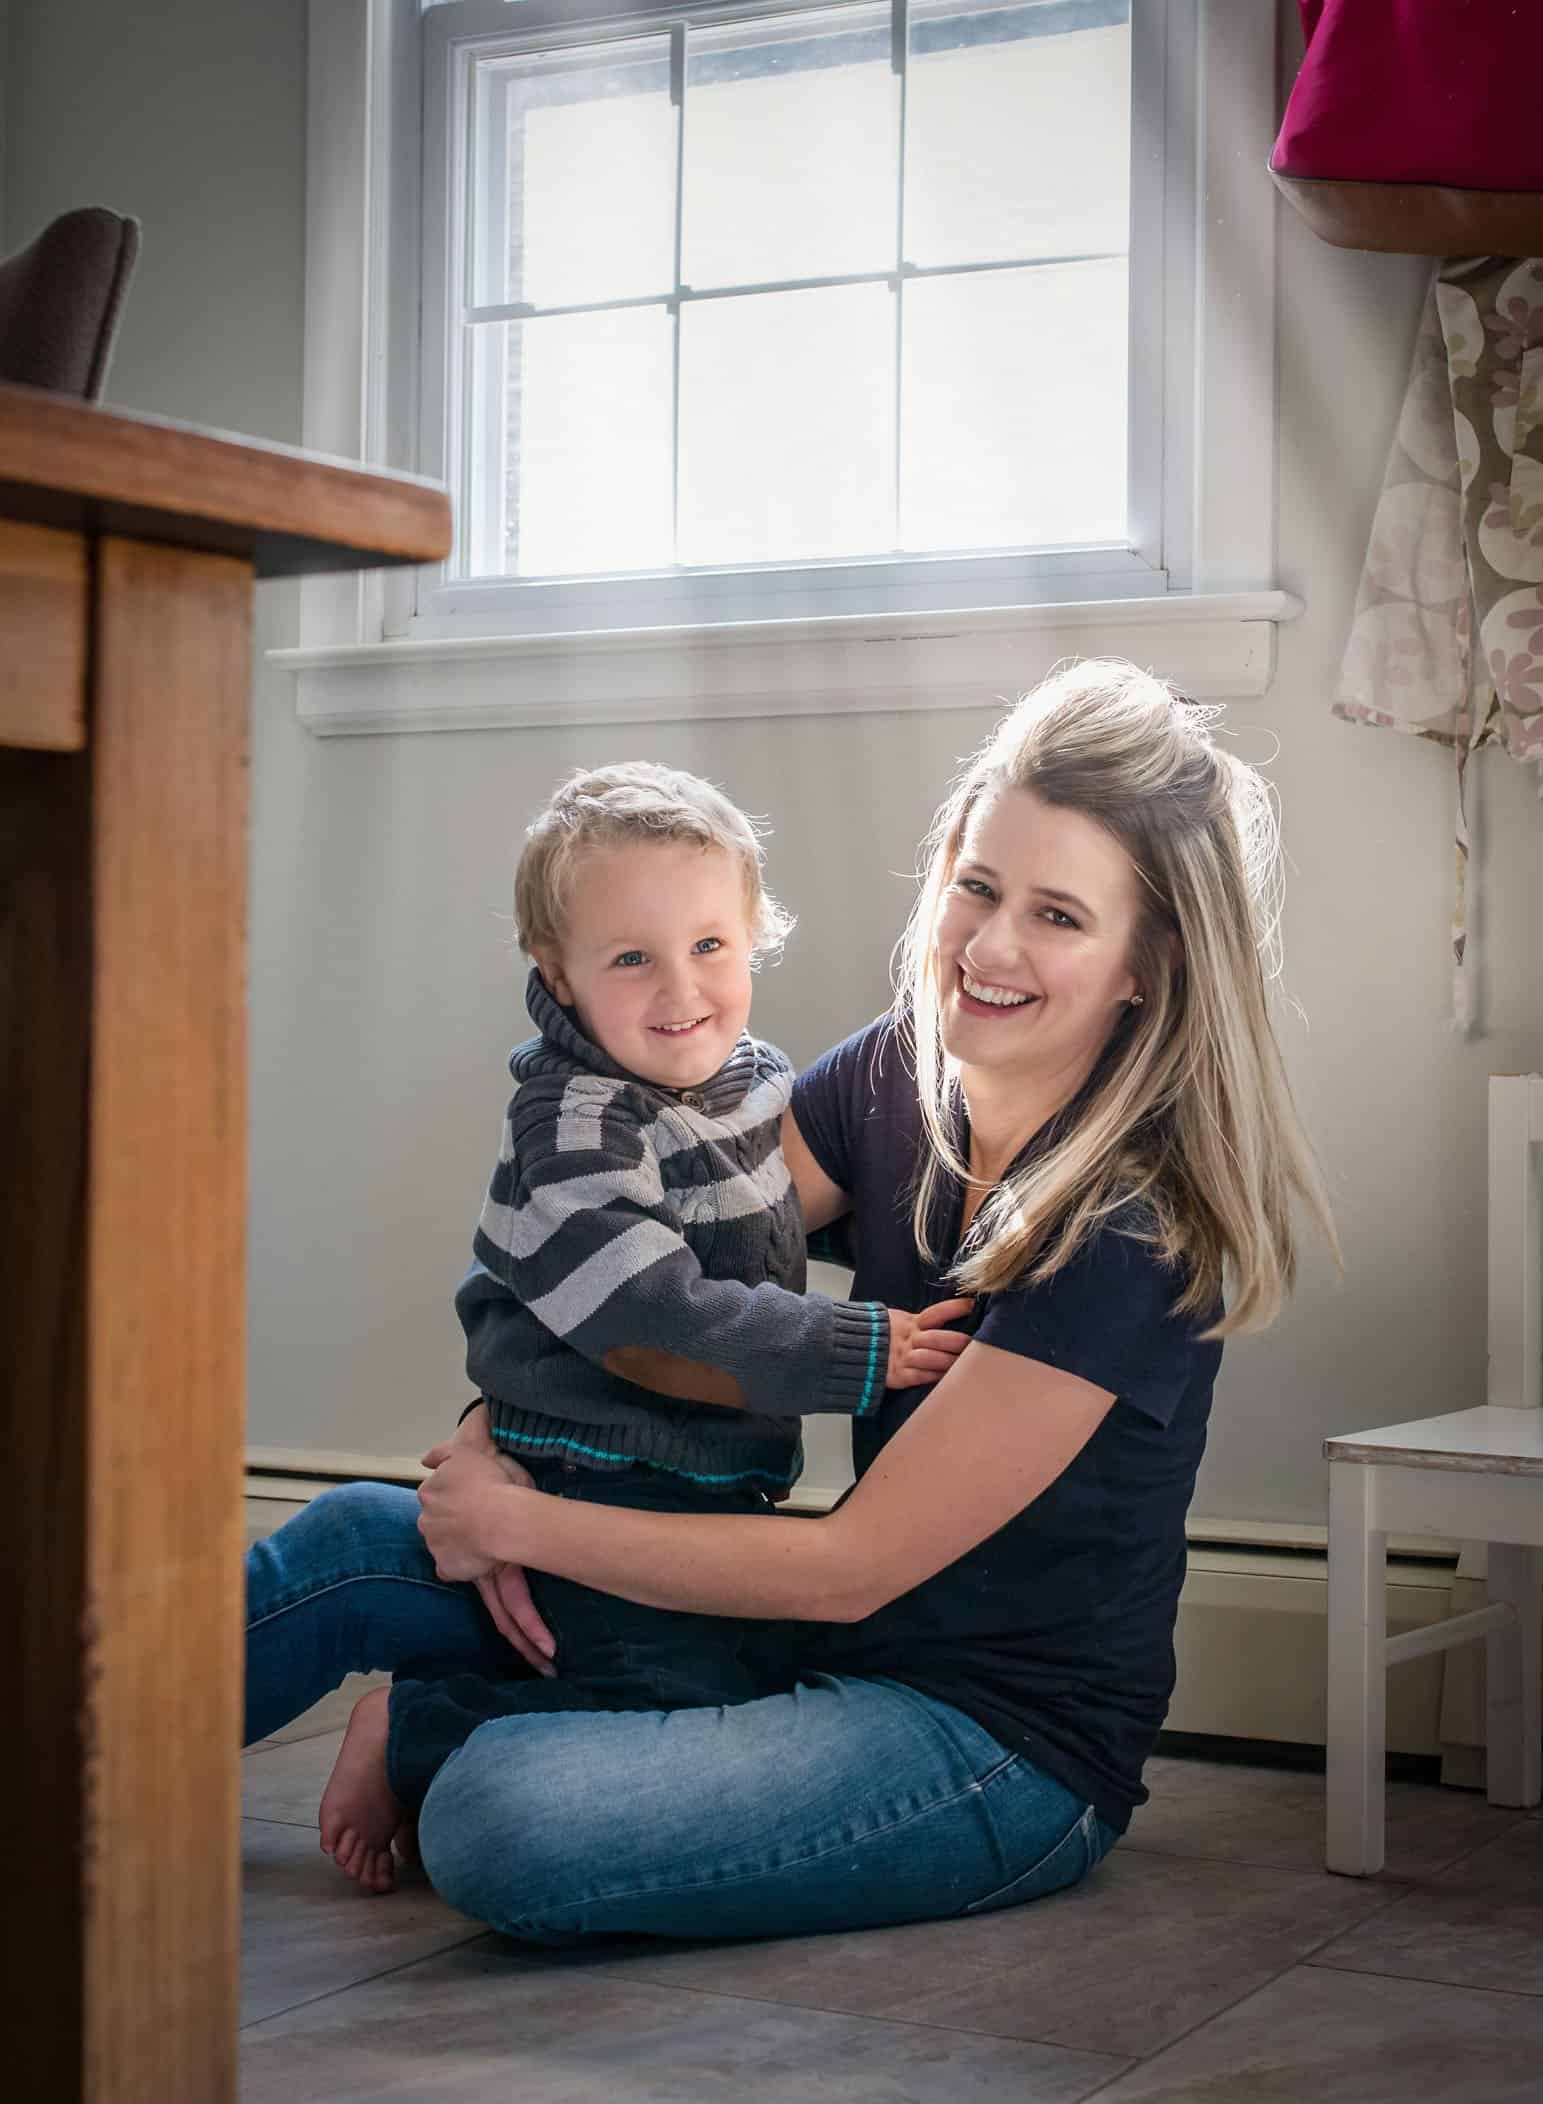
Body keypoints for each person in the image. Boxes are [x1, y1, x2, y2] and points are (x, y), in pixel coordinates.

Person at [249, 659, 1337, 1941]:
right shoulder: (896, 1078)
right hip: (802, 1652)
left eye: (1057, 916)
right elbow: (634, 1276)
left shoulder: (1128, 1227)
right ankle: (71, 1774)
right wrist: (502, 1438)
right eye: (976, 888)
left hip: (990, 1740)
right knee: (348, 1542)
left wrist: (520, 1528)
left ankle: (429, 1723)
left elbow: (849, 1567)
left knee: (505, 1816)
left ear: (1147, 961)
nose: (988, 946)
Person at [246, 761, 966, 1890]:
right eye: (631, 957)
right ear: (559, 975)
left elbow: (768, 1229)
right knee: (669, 1691)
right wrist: (853, 1347)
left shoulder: (749, 1079)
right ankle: (412, 1729)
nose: (681, 987)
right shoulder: (575, 1117)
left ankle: (441, 1710)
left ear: (752, 938)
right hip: (594, 1478)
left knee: (716, 1674)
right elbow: (651, 1304)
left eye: (712, 946)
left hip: (701, 1484)